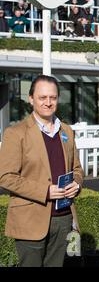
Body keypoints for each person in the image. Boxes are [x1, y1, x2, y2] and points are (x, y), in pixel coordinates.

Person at [0, 75, 83, 267]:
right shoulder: (15, 133)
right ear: (31, 99)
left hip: (64, 218)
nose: (48, 103)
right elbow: (5, 177)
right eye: (42, 97)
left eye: (52, 98)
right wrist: (45, 191)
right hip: (30, 220)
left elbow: (77, 169)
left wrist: (77, 183)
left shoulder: (67, 131)